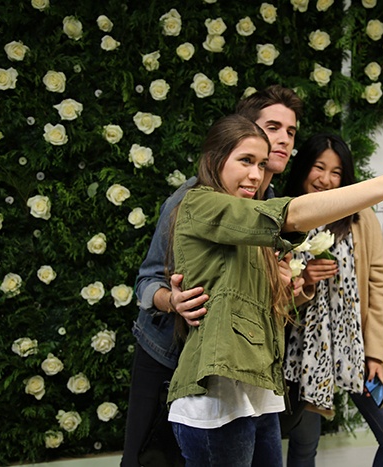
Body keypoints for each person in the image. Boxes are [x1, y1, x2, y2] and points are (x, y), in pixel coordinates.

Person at [165, 115, 383, 466]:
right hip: (216, 401)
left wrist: (287, 285)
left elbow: (266, 306)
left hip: (259, 394)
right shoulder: (200, 203)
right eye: (245, 161)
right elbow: (288, 216)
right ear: (214, 159)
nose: (256, 175)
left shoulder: (252, 231)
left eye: (261, 164)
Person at [121, 85, 303, 467]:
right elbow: (147, 280)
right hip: (167, 352)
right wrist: (172, 300)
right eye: (273, 127)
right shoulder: (192, 198)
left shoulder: (266, 199)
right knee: (148, 459)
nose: (284, 139)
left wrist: (285, 287)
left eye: (291, 131)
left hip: (233, 366)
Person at [282, 134, 383, 467]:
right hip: (303, 355)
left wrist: (375, 353)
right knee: (304, 447)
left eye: (336, 172)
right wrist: (305, 280)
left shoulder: (360, 215)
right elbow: (271, 297)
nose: (326, 179)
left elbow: (378, 282)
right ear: (303, 168)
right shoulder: (285, 217)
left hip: (357, 349)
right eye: (319, 167)